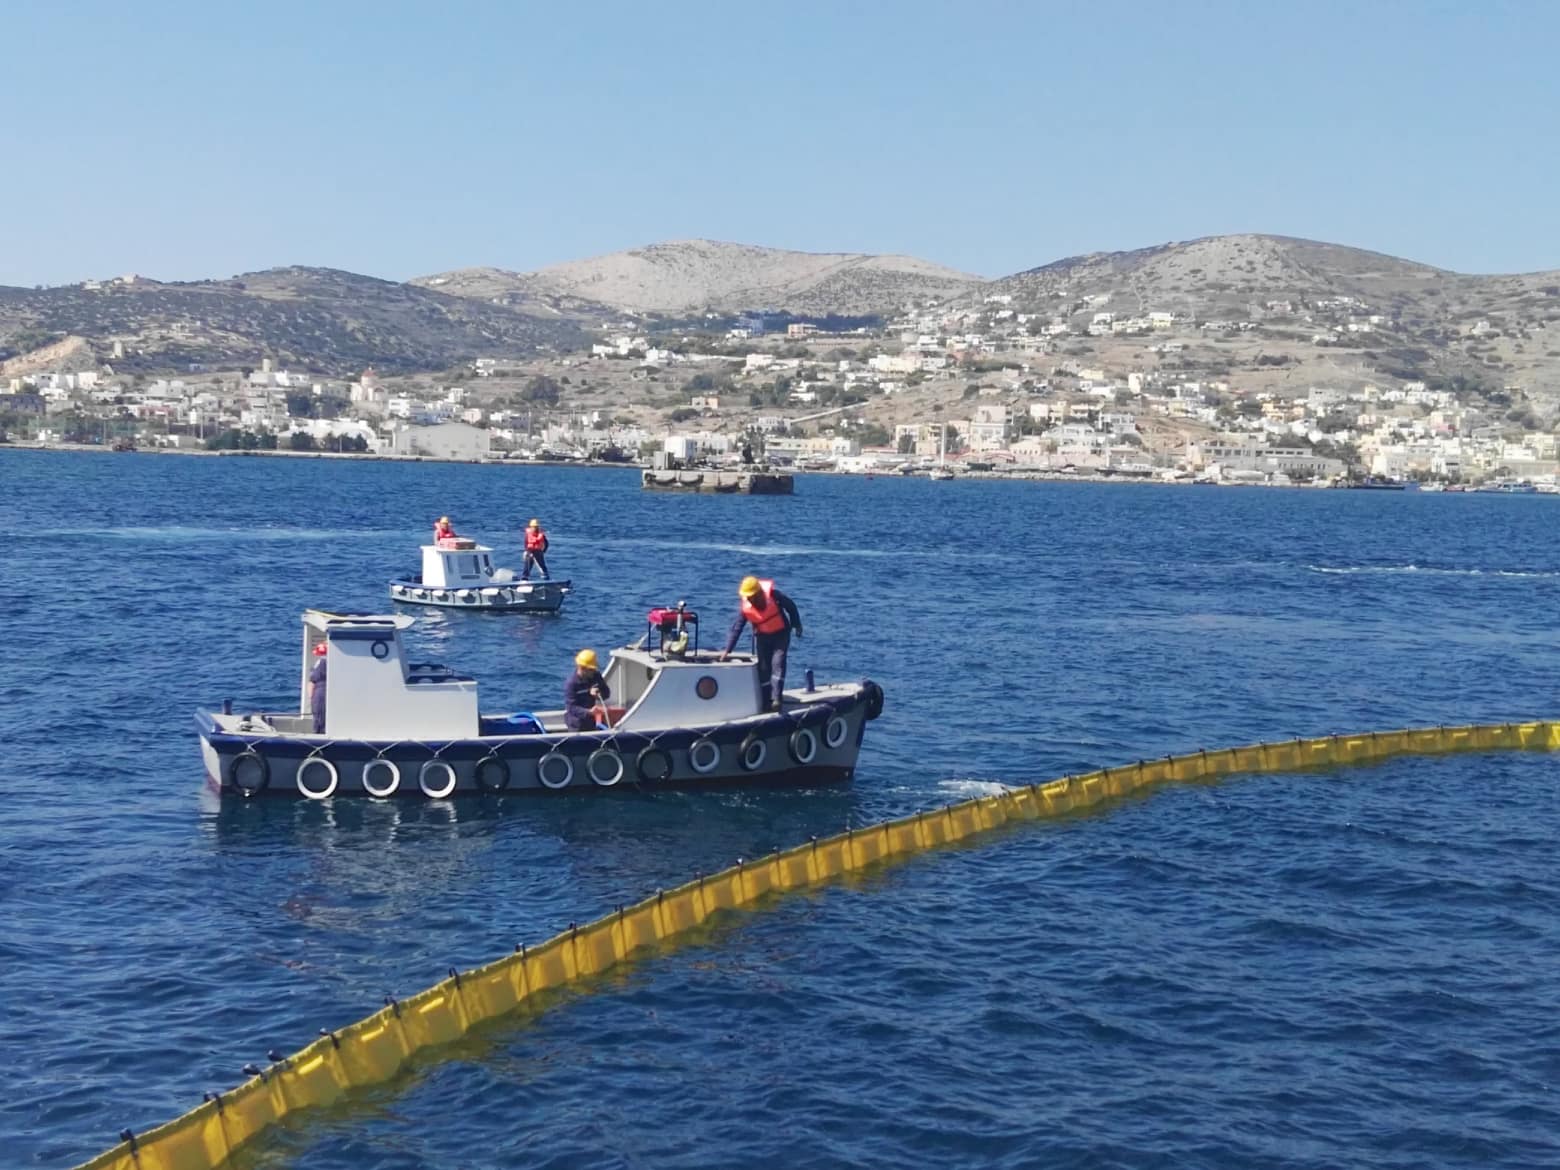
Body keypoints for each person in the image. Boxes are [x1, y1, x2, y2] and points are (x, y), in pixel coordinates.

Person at [718, 576, 802, 711]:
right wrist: (727, 651)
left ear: (758, 593)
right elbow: (737, 628)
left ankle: (776, 699)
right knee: (763, 668)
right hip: (763, 637)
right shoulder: (746, 608)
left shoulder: (774, 595)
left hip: (781, 635)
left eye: (751, 596)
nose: (749, 600)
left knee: (778, 663)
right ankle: (765, 701)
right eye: (747, 597)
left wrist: (796, 625)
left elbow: (791, 607)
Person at [564, 648, 611, 731]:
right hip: (576, 725)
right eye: (591, 669)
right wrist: (589, 712)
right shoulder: (571, 683)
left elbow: (607, 693)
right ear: (582, 668)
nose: (594, 671)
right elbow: (571, 707)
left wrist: (598, 694)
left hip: (591, 722)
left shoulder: (596, 676)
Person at [309, 642, 328, 734]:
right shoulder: (329, 662)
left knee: (319, 715)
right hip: (325, 690)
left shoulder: (320, 663)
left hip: (320, 692)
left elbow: (312, 681)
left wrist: (311, 697)